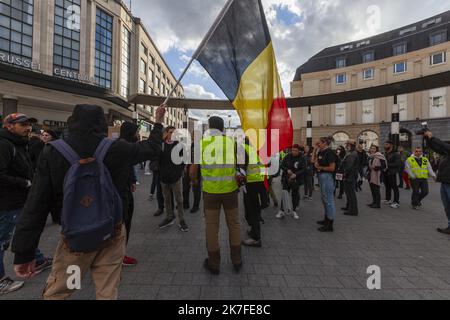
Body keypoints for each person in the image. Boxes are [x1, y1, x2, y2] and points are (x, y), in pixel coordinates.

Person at [11, 104, 164, 300]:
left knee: (63, 290)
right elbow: (151, 148)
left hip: (75, 238)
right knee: (107, 291)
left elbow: (36, 204)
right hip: (111, 232)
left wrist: (24, 252)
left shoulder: (53, 151)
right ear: (103, 123)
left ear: (72, 121)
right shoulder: (116, 147)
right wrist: (157, 121)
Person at [0, 113, 53, 295]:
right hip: (7, 202)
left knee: (26, 228)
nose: (27, 127)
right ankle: (1, 281)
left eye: (29, 124)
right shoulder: (4, 144)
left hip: (19, 199)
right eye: (22, 124)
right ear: (9, 126)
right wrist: (25, 183)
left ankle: (37, 259)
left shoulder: (18, 144)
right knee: (2, 241)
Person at [189, 116, 242, 275]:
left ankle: (214, 264)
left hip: (210, 193)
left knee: (212, 227)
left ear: (209, 127)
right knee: (234, 224)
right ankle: (237, 260)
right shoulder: (231, 143)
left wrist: (195, 181)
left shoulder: (202, 144)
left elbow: (192, 170)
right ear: (223, 128)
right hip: (230, 191)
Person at [158, 126, 188, 232]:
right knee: (167, 199)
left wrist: (179, 171)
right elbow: (156, 159)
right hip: (164, 177)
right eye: (171, 132)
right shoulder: (160, 145)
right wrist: (157, 169)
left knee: (179, 200)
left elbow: (184, 159)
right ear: (166, 133)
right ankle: (169, 217)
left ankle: (182, 220)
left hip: (176, 177)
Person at [118, 122, 140, 267]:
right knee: (123, 223)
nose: (138, 135)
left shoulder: (121, 145)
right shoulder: (124, 147)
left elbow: (129, 166)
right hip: (120, 193)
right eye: (136, 132)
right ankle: (119, 255)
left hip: (123, 188)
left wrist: (132, 180)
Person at [423, 131, 450, 234]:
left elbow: (444, 146)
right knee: (447, 206)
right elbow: (439, 148)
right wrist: (428, 139)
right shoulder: (447, 153)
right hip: (445, 181)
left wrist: (432, 137)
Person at [241, 138, 267, 247]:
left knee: (252, 211)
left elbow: (241, 168)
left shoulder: (245, 149)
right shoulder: (262, 150)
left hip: (251, 184)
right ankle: (253, 231)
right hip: (260, 183)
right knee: (255, 210)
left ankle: (256, 238)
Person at [314, 137, 338, 232]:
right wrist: (315, 150)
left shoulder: (330, 152)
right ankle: (326, 219)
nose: (317, 144)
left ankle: (330, 224)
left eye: (319, 143)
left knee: (328, 200)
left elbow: (332, 168)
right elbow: (313, 162)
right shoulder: (320, 152)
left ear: (325, 143)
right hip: (321, 177)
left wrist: (321, 167)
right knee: (324, 199)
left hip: (328, 177)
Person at [276, 144, 306, 220]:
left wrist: (296, 174)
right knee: (285, 194)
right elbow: (282, 165)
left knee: (295, 195)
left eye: (295, 150)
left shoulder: (302, 158)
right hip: (286, 179)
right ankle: (282, 210)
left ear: (299, 150)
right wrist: (287, 170)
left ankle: (294, 210)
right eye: (292, 150)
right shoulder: (287, 156)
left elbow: (303, 169)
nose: (293, 152)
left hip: (296, 180)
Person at [340, 140, 359, 216]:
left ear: (350, 145)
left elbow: (349, 166)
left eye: (347, 144)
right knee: (348, 193)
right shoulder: (351, 153)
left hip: (350, 176)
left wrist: (345, 173)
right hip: (350, 175)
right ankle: (349, 207)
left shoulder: (352, 154)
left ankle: (353, 210)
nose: (346, 146)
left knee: (350, 193)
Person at [183, 143, 201, 214]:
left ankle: (196, 206)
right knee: (185, 187)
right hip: (187, 167)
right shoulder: (188, 144)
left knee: (195, 188)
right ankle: (185, 203)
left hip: (196, 168)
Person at [383, 140, 402, 209]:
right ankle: (388, 199)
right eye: (385, 144)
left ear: (391, 145)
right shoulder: (386, 153)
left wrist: (386, 165)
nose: (385, 146)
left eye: (387, 144)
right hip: (386, 172)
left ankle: (396, 202)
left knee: (394, 187)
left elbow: (397, 164)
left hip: (393, 173)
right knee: (387, 186)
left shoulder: (396, 153)